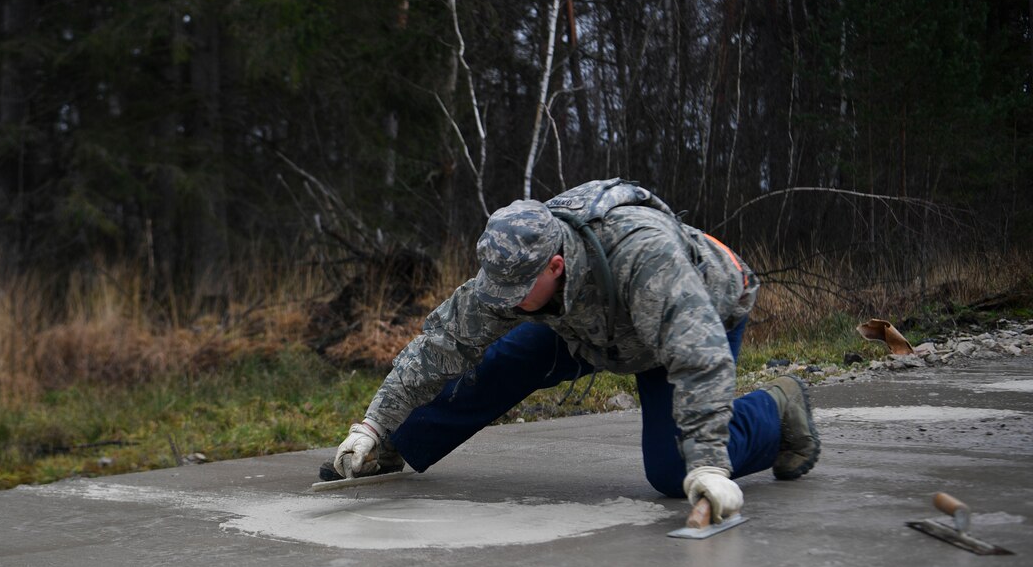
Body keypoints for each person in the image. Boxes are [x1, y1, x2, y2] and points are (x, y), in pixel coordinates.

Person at [320, 179, 819, 522]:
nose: (503, 301)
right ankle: (397, 444)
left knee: (672, 474)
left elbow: (699, 358)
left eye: (515, 290)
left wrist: (710, 462)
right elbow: (443, 343)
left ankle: (778, 407)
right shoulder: (515, 267)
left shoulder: (644, 259)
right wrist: (372, 425)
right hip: (586, 324)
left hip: (695, 317)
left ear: (555, 265)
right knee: (502, 359)